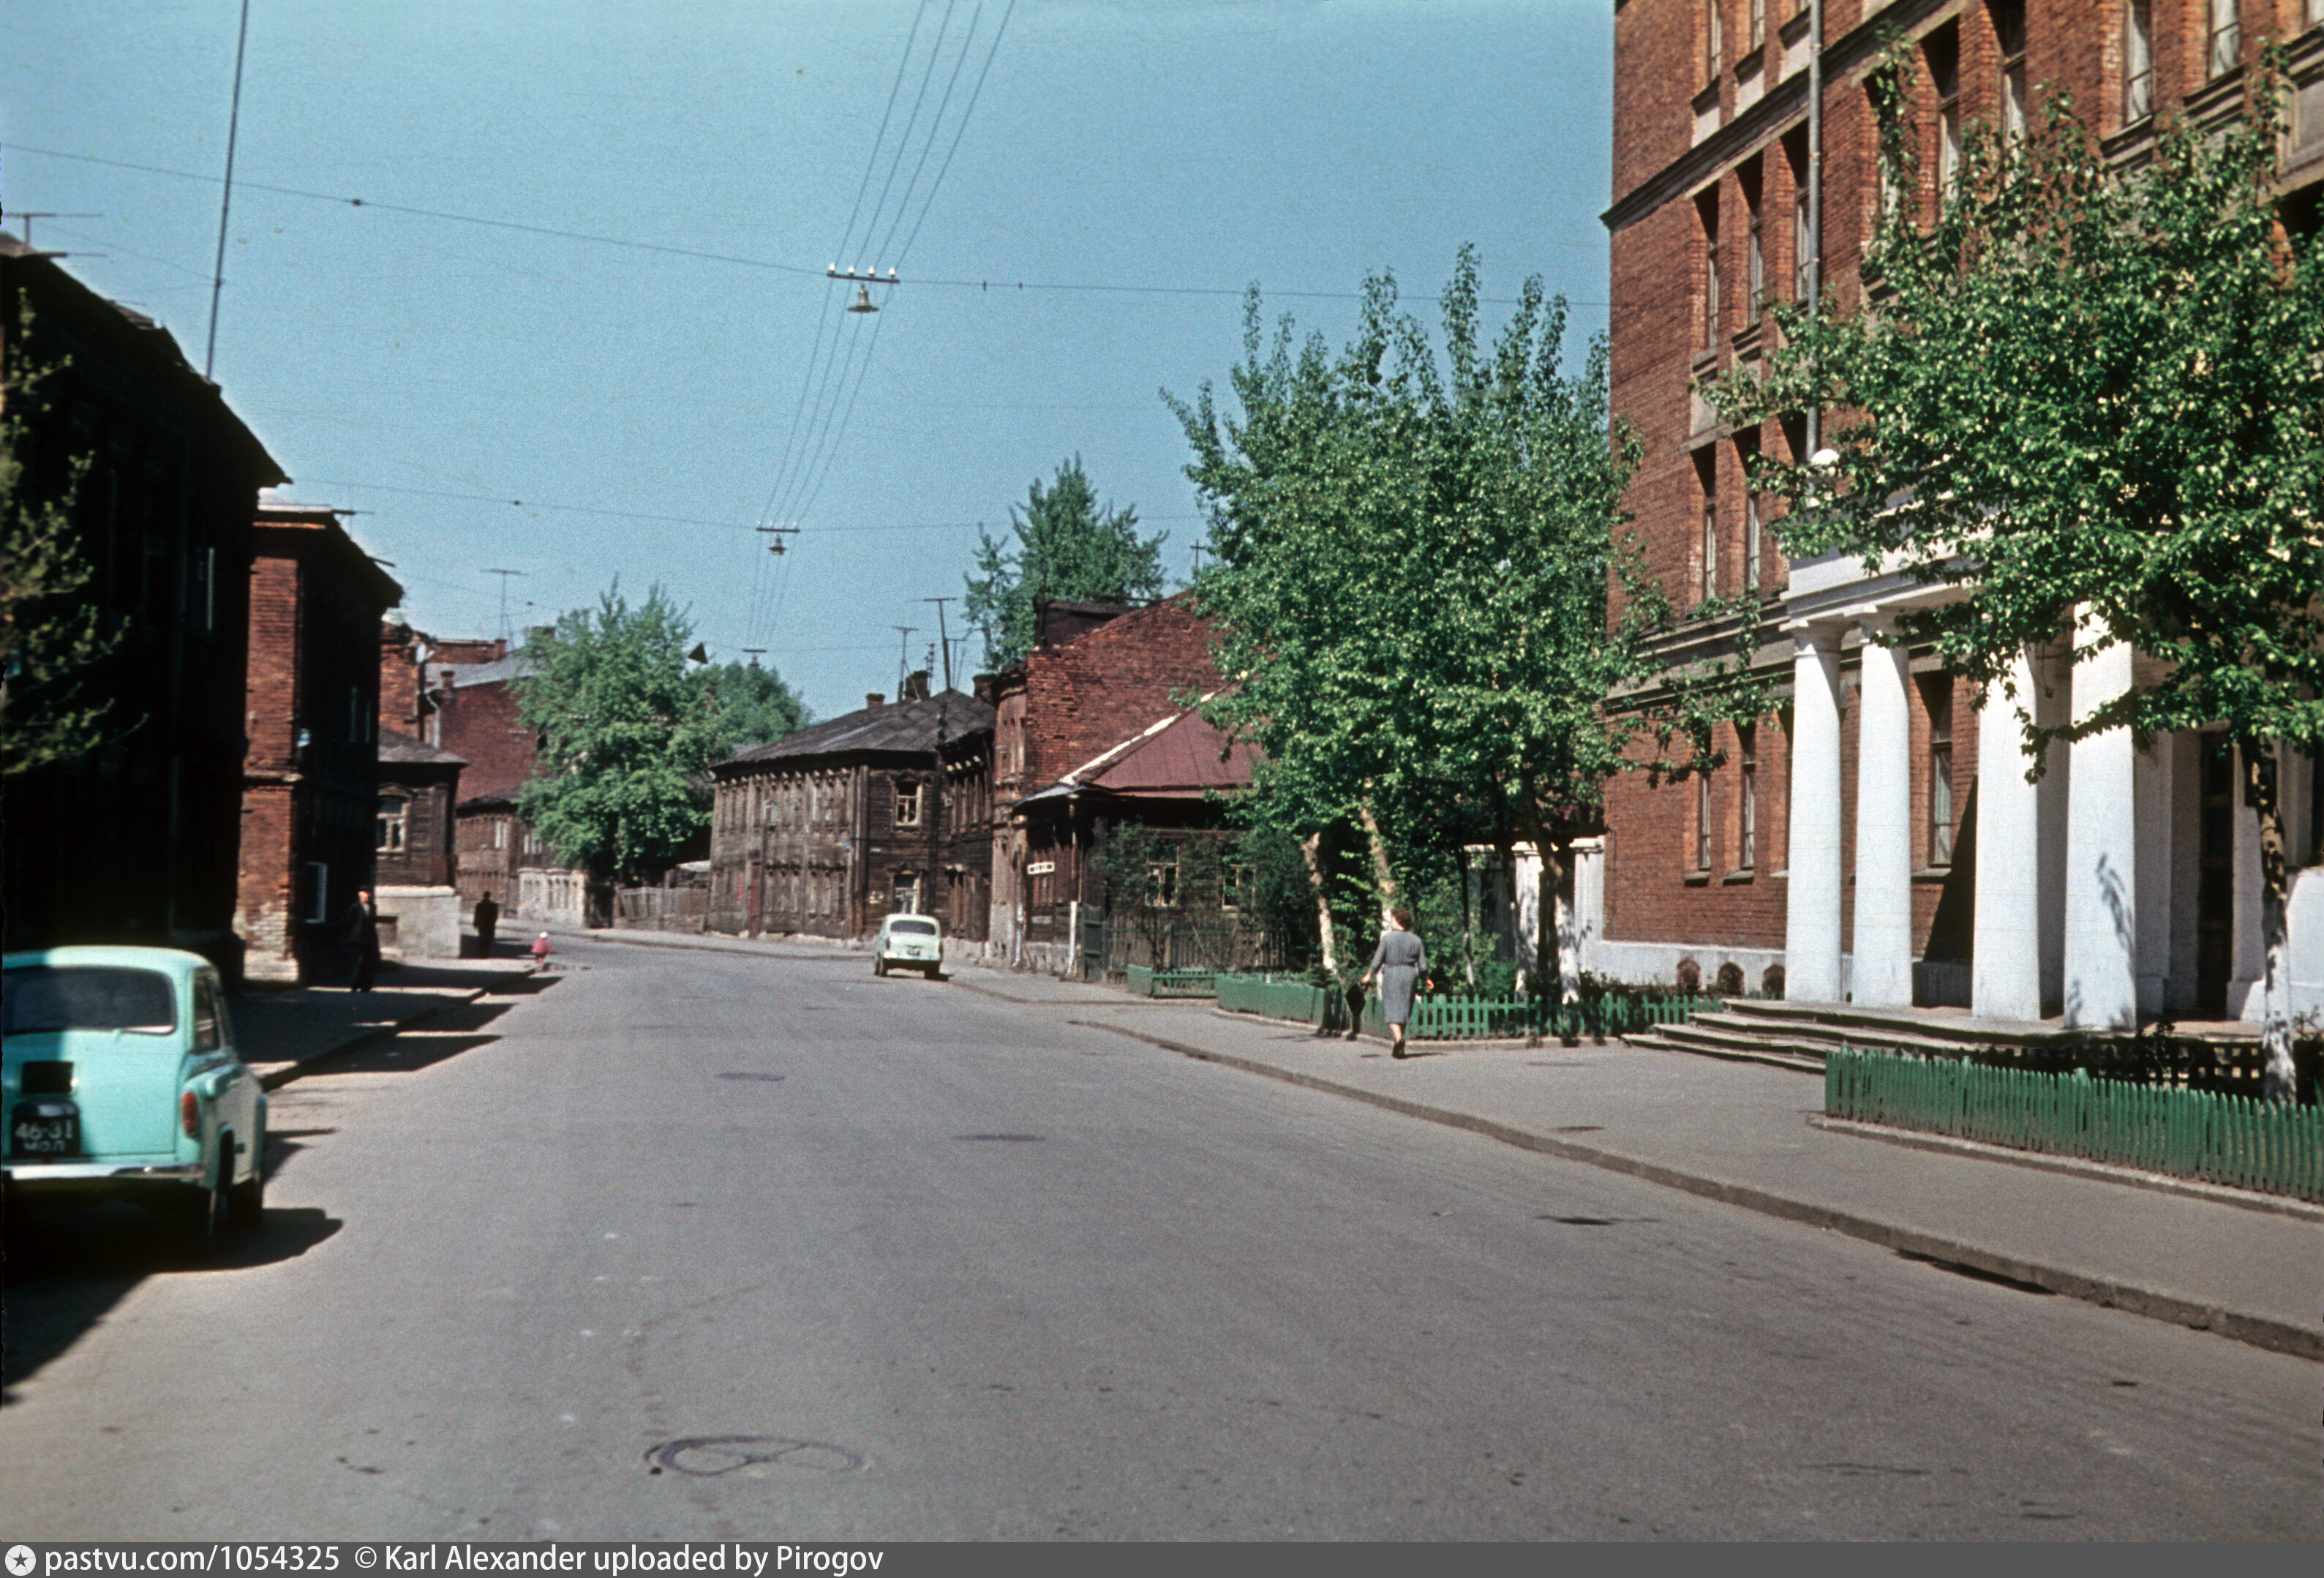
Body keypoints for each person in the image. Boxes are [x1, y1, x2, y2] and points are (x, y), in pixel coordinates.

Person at [1359, 906, 1429, 1059]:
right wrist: (1426, 978)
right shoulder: (1416, 939)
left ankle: (1399, 1039)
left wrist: (1369, 974)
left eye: (1392, 919)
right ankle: (1400, 1047)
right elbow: (1423, 964)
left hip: (1392, 973)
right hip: (1410, 975)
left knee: (1391, 1008)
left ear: (1397, 921)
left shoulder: (1388, 938)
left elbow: (1378, 959)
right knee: (1404, 1007)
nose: (1391, 921)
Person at [345, 888, 381, 992]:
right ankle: (355, 985)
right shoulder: (355, 907)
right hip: (359, 939)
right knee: (359, 962)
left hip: (369, 938)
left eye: (367, 893)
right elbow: (349, 922)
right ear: (359, 894)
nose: (366, 896)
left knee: (368, 962)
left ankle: (366, 986)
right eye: (363, 893)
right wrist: (352, 935)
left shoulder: (372, 907)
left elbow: (373, 922)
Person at [473, 893, 500, 958]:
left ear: (484, 896)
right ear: (489, 897)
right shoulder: (493, 906)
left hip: (482, 925)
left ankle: (482, 953)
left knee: (482, 939)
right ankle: (486, 953)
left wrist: (476, 923)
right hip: (489, 925)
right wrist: (493, 923)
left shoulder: (479, 905)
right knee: (487, 939)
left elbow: (477, 915)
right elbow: (495, 916)